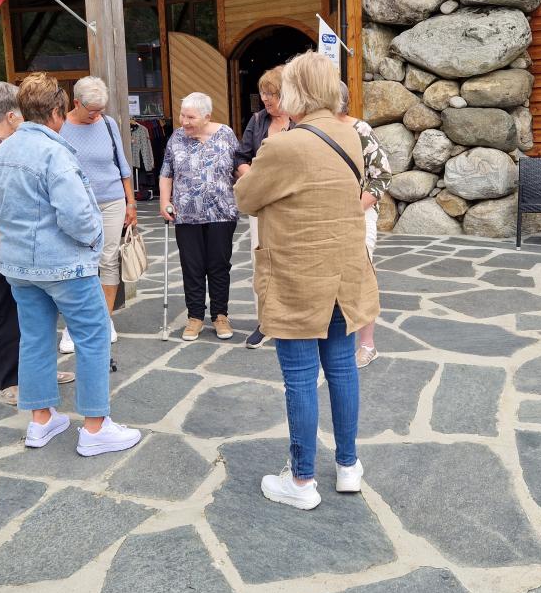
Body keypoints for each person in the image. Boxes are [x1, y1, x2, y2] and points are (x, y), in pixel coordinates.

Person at [235, 51, 379, 510]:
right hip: (343, 272)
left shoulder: (284, 146)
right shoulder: (349, 133)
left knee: (299, 378)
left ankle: (301, 481)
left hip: (297, 276)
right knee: (342, 369)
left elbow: (245, 198)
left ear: (296, 91)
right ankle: (348, 466)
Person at [0, 72, 140, 456]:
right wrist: (94, 242)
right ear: (57, 110)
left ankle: (41, 420)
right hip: (64, 264)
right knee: (93, 335)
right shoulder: (55, 153)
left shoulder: (1, 151)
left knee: (35, 337)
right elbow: (77, 216)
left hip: (19, 266)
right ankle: (95, 426)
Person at [0, 82, 74, 406]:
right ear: (11, 116)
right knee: (4, 311)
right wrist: (8, 245)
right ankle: (9, 379)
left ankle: (39, 372)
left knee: (36, 310)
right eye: (23, 113)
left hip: (22, 245)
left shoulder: (10, 143)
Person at [58, 76, 136, 354]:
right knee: (78, 262)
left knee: (109, 259)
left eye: (100, 110)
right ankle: (74, 325)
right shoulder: (60, 127)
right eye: (91, 110)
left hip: (112, 200)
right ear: (76, 103)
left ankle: (104, 320)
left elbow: (122, 165)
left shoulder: (108, 123)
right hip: (77, 204)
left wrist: (130, 202)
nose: (96, 116)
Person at [159, 92, 239, 342]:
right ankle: (195, 317)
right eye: (182, 115)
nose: (184, 121)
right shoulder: (176, 138)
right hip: (186, 214)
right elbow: (166, 172)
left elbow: (239, 168)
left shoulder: (226, 134)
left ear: (207, 117)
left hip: (222, 213)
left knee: (219, 265)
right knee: (192, 266)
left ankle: (220, 315)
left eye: (190, 117)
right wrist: (164, 201)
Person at [335, 81, 392, 368]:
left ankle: (367, 344)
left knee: (360, 275)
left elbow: (382, 175)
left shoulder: (360, 130)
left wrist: (356, 209)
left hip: (359, 213)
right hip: (326, 215)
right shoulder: (310, 130)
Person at [234, 65, 289, 350]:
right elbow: (240, 157)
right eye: (263, 93)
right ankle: (264, 322)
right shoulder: (257, 121)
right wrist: (252, 176)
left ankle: (289, 319)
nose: (266, 99)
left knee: (290, 261)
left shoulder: (301, 121)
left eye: (272, 93)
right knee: (262, 262)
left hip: (292, 205)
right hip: (262, 205)